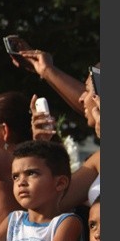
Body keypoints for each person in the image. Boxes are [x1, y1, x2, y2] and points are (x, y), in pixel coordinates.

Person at [0, 140, 83, 241]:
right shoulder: (14, 219)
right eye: (15, 177)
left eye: (31, 173)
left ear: (60, 183)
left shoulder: (67, 222)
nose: (21, 182)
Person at [29, 63, 100, 213]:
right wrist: (42, 147)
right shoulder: (97, 160)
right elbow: (48, 205)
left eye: (86, 90)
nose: (81, 98)